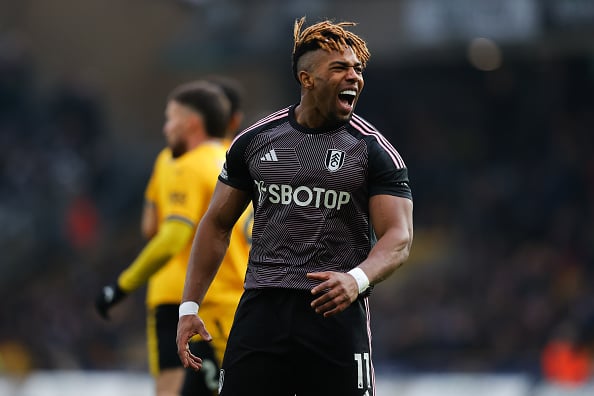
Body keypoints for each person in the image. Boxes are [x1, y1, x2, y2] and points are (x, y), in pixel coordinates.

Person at [176, 17, 414, 396]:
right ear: (307, 79)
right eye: (339, 68)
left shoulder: (373, 151)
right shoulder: (255, 141)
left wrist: (357, 279)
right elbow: (216, 224)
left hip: (335, 310)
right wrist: (189, 306)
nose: (353, 76)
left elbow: (398, 237)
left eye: (357, 69)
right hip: (262, 310)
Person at [95, 79, 249, 396]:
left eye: (170, 119)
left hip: (188, 298)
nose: (166, 128)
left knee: (172, 390)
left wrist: (121, 287)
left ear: (192, 123)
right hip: (236, 296)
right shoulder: (241, 160)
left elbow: (159, 230)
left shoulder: (177, 163)